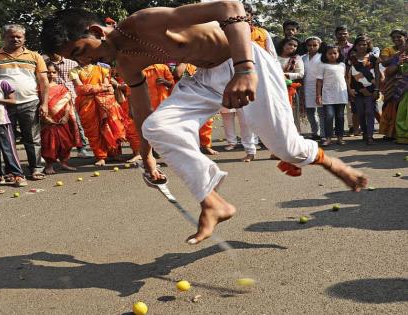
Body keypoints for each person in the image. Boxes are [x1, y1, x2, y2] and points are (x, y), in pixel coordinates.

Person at [41, 3, 367, 245]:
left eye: (80, 51)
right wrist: (148, 155)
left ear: (97, 32)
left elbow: (230, 7)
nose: (83, 61)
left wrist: (243, 70)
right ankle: (212, 201)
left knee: (286, 147)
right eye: (75, 58)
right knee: (157, 126)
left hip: (244, 61)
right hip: (205, 79)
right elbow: (141, 112)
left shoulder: (144, 22)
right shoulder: (126, 62)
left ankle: (332, 162)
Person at [0, 24, 48, 180]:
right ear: (4, 37)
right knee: (8, 140)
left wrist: (45, 103)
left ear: (24, 39)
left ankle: (36, 168)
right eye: (11, 36)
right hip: (3, 105)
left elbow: (43, 81)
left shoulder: (35, 56)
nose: (15, 39)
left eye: (18, 37)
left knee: (33, 138)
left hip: (30, 102)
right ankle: (11, 172)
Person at [69, 62, 127, 166]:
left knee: (110, 127)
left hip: (106, 101)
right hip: (87, 104)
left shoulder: (101, 69)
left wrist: (92, 89)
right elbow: (80, 89)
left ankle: (114, 154)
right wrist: (100, 88)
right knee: (94, 131)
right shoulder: (74, 71)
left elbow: (108, 87)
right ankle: (100, 156)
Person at [0, 57, 27, 188]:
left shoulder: (2, 83)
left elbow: (13, 101)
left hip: (1, 121)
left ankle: (18, 175)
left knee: (8, 149)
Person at [44, 53, 93, 158]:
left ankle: (82, 149)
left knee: (76, 124)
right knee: (54, 127)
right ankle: (54, 153)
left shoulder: (72, 63)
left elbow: (79, 80)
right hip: (53, 99)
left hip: (71, 97)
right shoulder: (45, 63)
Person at [41, 62, 81, 174]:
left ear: (57, 73)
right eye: (48, 72)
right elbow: (38, 105)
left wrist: (66, 116)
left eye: (53, 72)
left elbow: (68, 104)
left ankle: (64, 162)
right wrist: (44, 118)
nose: (51, 74)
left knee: (65, 142)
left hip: (62, 120)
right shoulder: (39, 88)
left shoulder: (61, 88)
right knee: (48, 143)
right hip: (47, 121)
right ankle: (49, 165)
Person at [347, 35, 381, 145]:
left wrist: (376, 89)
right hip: (357, 90)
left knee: (370, 112)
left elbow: (376, 74)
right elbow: (347, 76)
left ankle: (370, 135)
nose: (362, 46)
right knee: (360, 112)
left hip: (371, 89)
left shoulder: (373, 58)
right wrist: (349, 89)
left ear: (368, 45)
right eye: (359, 44)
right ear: (355, 46)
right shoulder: (351, 59)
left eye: (364, 44)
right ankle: (365, 133)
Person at [316, 45, 348, 146]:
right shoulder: (322, 65)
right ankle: (328, 138)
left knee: (340, 116)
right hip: (328, 95)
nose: (332, 55)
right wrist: (318, 95)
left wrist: (349, 91)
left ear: (339, 54)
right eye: (330, 53)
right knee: (329, 116)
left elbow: (345, 79)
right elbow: (319, 82)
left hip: (341, 94)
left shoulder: (342, 65)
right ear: (325, 54)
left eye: (335, 53)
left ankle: (340, 137)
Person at [379, 30, 407, 139]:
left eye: (399, 37)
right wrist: (400, 53)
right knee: (391, 105)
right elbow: (385, 62)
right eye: (393, 37)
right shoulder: (387, 50)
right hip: (392, 81)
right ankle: (391, 132)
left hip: (405, 81)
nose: (396, 39)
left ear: (405, 37)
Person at [335, 25, 358, 137]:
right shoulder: (332, 48)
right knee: (337, 104)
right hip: (336, 79)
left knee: (351, 104)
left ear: (348, 34)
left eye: (345, 33)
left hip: (352, 78)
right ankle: (338, 128)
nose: (343, 35)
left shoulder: (354, 47)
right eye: (340, 33)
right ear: (336, 35)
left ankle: (352, 127)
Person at [277, 37, 304, 131]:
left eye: (295, 46)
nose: (292, 47)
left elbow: (300, 74)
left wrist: (285, 75)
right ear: (283, 44)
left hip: (289, 90)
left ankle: (292, 134)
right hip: (274, 89)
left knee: (290, 112)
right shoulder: (273, 57)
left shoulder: (296, 58)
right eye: (290, 44)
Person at [302, 36, 324, 141]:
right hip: (306, 87)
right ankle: (315, 132)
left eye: (315, 45)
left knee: (321, 112)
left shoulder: (323, 57)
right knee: (310, 112)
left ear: (319, 46)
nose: (312, 47)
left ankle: (324, 133)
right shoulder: (303, 58)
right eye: (309, 45)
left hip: (320, 87)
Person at [392, 44, 408, 144]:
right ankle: (402, 137)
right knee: (402, 112)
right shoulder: (402, 56)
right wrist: (399, 62)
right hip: (404, 89)